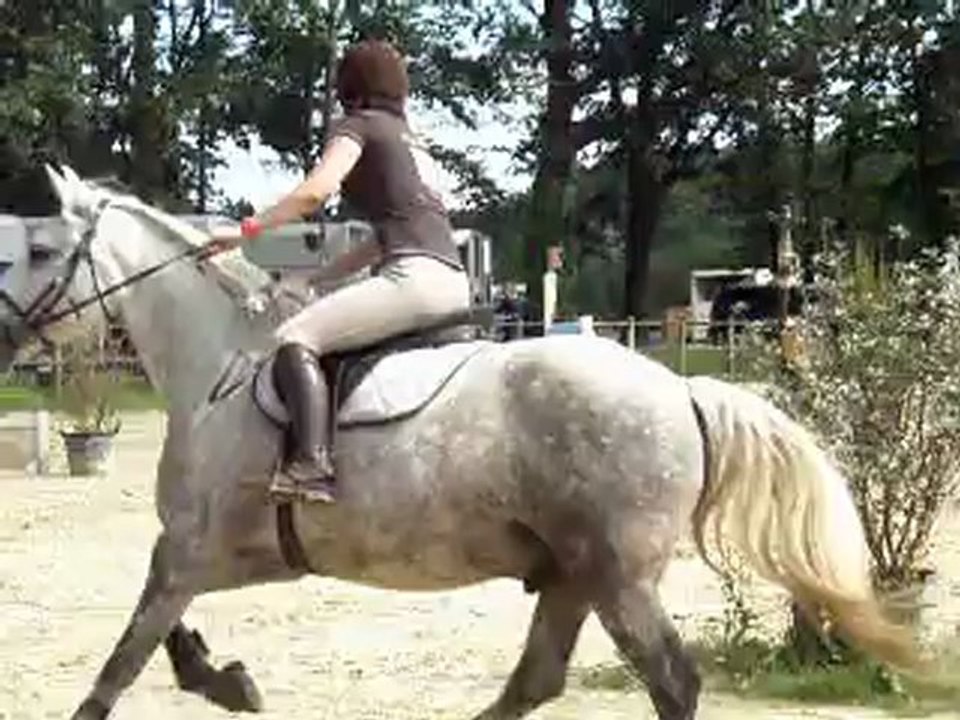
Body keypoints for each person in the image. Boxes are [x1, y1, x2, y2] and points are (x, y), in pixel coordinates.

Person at [205, 39, 470, 503]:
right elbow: (379, 239)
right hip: (453, 281)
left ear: (348, 86)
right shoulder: (412, 142)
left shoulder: (357, 126)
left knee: (293, 339)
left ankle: (311, 466)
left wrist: (246, 231)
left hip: (413, 280)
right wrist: (314, 278)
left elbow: (314, 193)